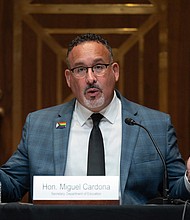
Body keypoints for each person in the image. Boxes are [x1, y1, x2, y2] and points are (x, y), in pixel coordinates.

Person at [0, 33, 190, 205]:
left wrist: (189, 179)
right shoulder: (39, 125)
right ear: (69, 78)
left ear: (115, 71)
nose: (90, 78)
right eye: (80, 69)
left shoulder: (154, 125)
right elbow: (12, 186)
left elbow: (175, 192)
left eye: (99, 67)